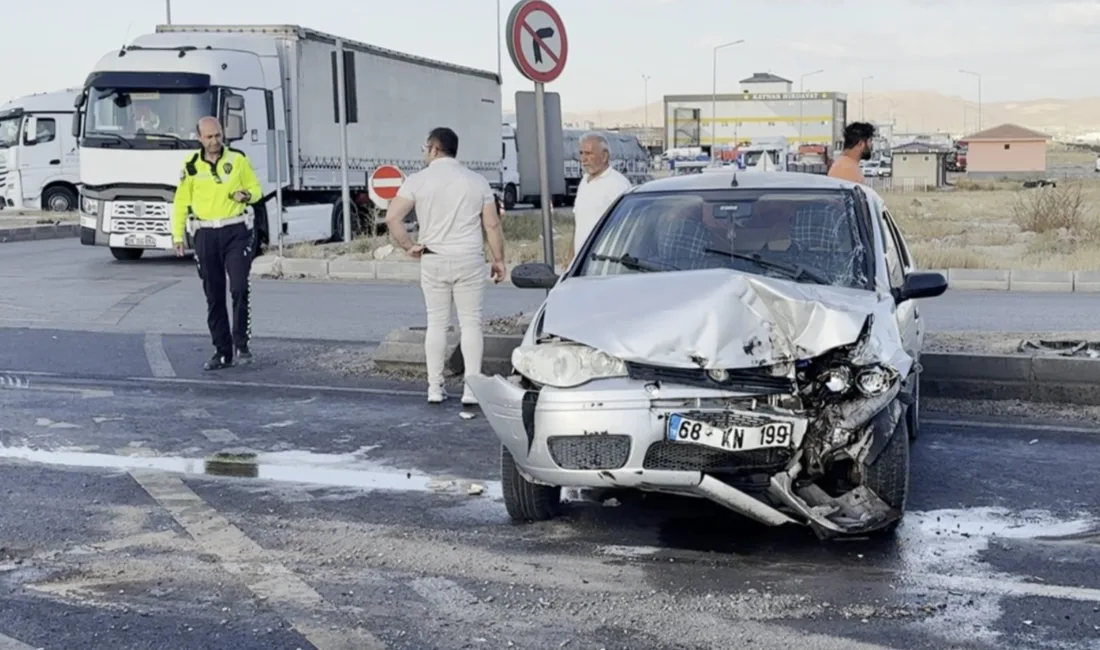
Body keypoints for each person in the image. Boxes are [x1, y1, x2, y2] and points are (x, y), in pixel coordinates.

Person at [384, 127, 507, 405]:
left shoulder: (418, 181)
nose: (424, 153)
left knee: (437, 324)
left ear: (434, 149)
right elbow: (491, 224)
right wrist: (499, 259)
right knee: (471, 324)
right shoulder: (477, 181)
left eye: (425, 148)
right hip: (469, 259)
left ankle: (434, 387)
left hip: (433, 257)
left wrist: (408, 245)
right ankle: (471, 389)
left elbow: (392, 217)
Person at [171, 116, 263, 371]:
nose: (214, 141)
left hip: (235, 230)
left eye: (218, 136)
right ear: (199, 138)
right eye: (209, 137)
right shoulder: (190, 166)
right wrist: (177, 236)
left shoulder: (237, 159)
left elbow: (256, 189)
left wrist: (247, 194)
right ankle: (222, 352)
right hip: (205, 233)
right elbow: (181, 202)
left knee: (239, 286)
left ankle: (241, 343)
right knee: (214, 294)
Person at [570, 132, 633, 261]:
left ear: (604, 156)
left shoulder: (618, 185)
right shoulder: (584, 182)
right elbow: (579, 224)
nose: (583, 159)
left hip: (605, 262)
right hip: (582, 263)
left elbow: (628, 228)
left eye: (589, 153)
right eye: (581, 153)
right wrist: (571, 258)